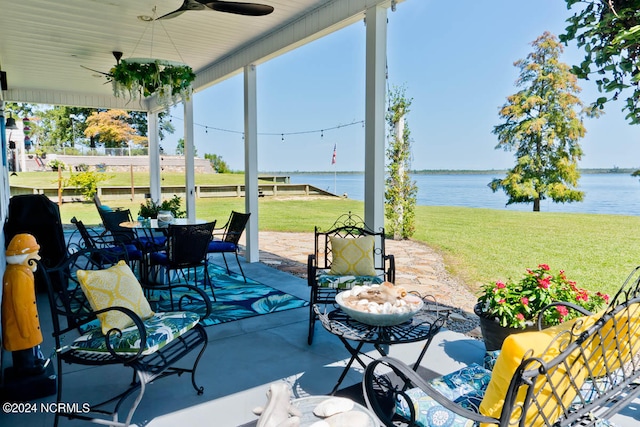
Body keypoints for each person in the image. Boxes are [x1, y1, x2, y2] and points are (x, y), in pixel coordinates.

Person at [1, 233, 46, 376]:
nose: (38, 258)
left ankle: (30, 362)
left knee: (25, 348)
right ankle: (26, 369)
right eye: (35, 254)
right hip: (21, 324)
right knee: (23, 345)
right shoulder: (19, 276)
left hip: (21, 323)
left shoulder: (18, 271)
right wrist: (26, 329)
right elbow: (20, 306)